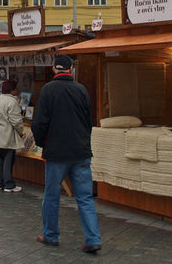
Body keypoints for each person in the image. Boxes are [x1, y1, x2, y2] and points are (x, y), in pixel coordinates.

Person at [31, 54, 101, 254]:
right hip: (80, 152)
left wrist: (41, 143)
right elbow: (89, 121)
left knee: (52, 196)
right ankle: (93, 238)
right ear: (70, 69)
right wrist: (83, 141)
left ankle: (50, 235)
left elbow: (38, 123)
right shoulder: (81, 90)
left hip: (56, 153)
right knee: (85, 197)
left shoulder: (47, 90)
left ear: (54, 69)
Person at [0, 78, 24, 193]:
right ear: (12, 90)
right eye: (16, 88)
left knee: (0, 159)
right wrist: (20, 132)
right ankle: (9, 184)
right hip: (8, 134)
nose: (17, 91)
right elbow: (16, 121)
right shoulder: (12, 102)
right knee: (9, 159)